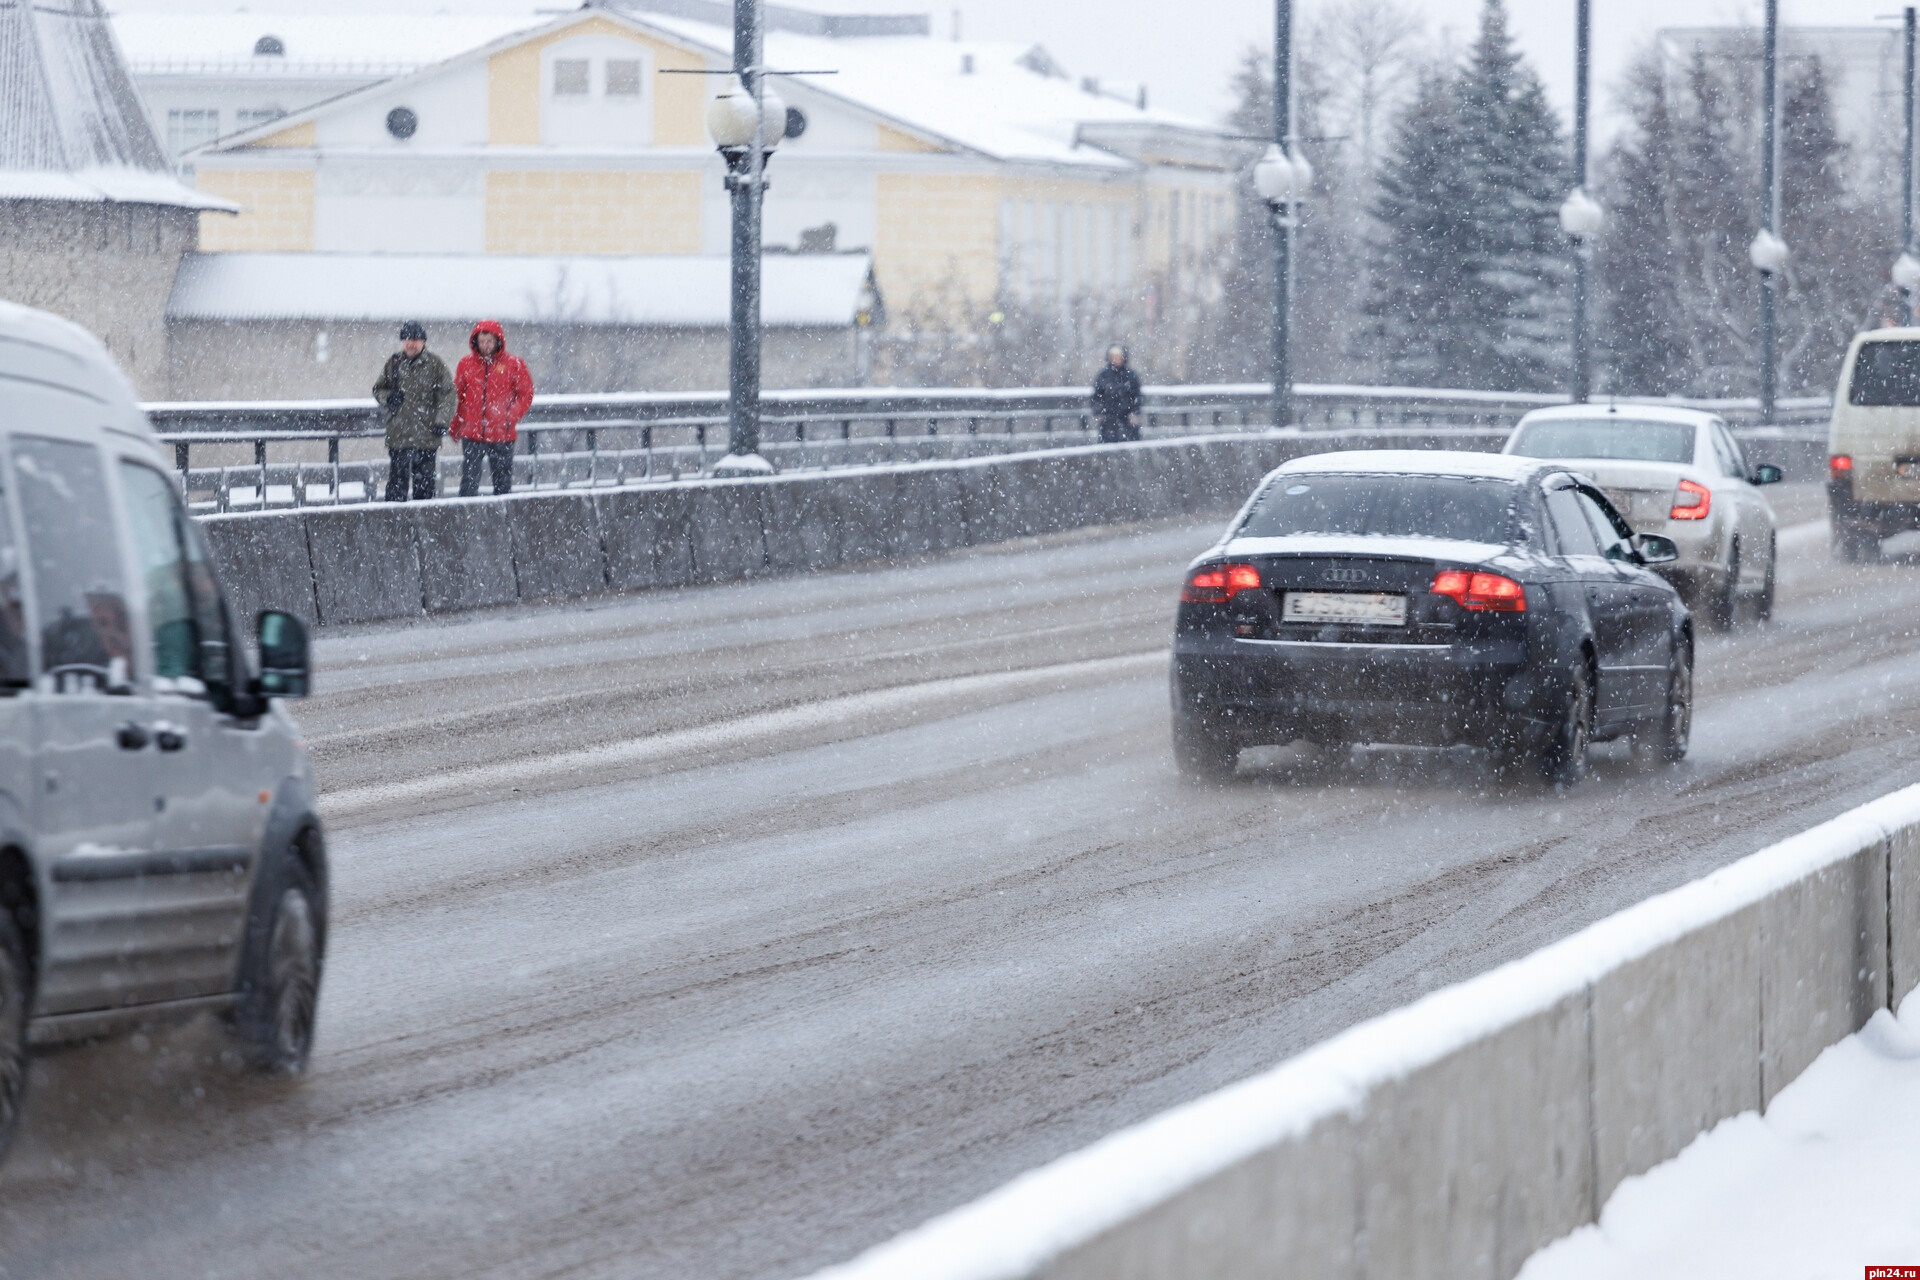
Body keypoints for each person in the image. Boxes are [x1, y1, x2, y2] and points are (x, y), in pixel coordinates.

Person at [449, 319, 535, 496]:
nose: (485, 346)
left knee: (502, 484)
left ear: (498, 341)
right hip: (472, 433)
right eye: (482, 341)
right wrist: (456, 426)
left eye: (489, 341)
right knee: (468, 484)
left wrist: (509, 416)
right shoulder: (466, 364)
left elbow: (526, 394)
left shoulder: (514, 364)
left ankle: (504, 521)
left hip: (501, 433)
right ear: (476, 342)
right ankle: (466, 519)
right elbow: (458, 398)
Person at [373, 321, 456, 501]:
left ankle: (423, 528)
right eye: (407, 339)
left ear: (423, 342)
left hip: (426, 438)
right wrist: (389, 397)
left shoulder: (435, 365)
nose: (410, 344)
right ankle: (395, 527)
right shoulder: (394, 363)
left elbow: (448, 394)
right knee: (396, 492)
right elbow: (378, 389)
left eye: (415, 339)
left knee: (425, 492)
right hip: (399, 437)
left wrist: (441, 421)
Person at [1091, 344, 1143, 443]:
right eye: (1113, 356)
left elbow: (1137, 396)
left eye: (1118, 356)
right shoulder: (1103, 375)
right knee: (1107, 446)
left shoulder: (1131, 375)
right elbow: (1097, 396)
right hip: (1108, 419)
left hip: (1127, 419)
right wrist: (1099, 412)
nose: (1115, 359)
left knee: (1130, 445)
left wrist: (1134, 413)